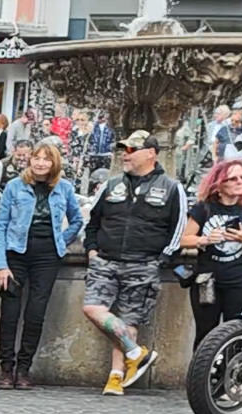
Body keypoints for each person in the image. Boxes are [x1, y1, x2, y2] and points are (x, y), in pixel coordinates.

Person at [82, 130, 185, 395]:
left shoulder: (172, 187)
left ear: (151, 153)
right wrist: (91, 250)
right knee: (92, 308)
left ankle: (116, 376)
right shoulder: (111, 184)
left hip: (143, 262)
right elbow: (92, 221)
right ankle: (136, 352)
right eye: (123, 150)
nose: (125, 155)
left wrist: (161, 260)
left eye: (131, 150)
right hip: (105, 260)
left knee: (128, 321)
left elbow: (178, 228)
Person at [0, 143, 82, 389]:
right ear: (30, 160)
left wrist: (60, 240)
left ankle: (24, 368)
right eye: (37, 158)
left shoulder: (64, 188)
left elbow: (77, 220)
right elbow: (0, 227)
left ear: (55, 163)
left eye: (46, 159)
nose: (41, 163)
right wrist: (1, 264)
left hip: (47, 257)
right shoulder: (14, 186)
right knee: (9, 312)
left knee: (36, 313)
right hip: (16, 253)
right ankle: (6, 368)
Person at [182, 158, 242, 345]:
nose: (240, 182)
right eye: (233, 179)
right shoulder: (204, 207)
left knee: (237, 332)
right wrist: (205, 239)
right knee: (205, 334)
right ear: (218, 184)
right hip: (208, 281)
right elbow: (183, 239)